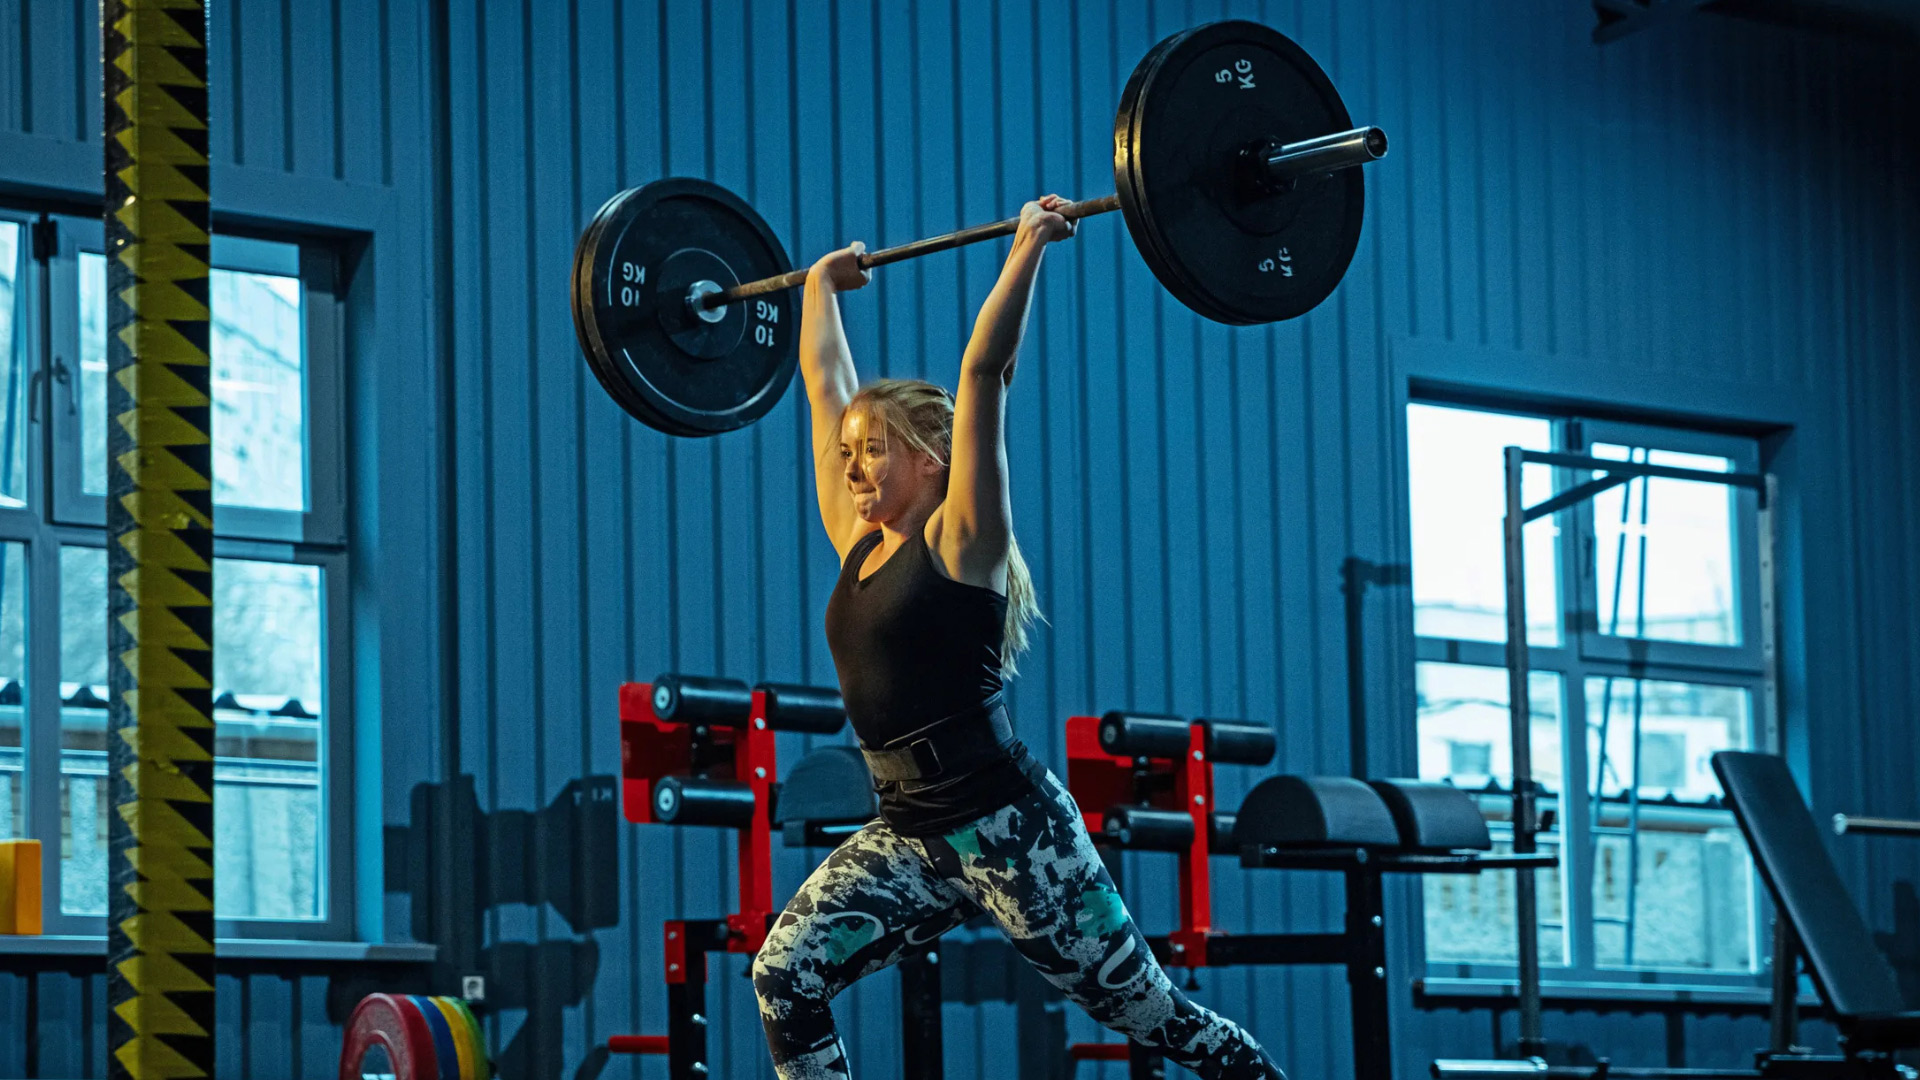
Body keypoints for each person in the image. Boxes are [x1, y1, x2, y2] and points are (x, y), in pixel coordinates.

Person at [748, 195, 1286, 1080]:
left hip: (1014, 831)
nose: (850, 468)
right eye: (847, 454)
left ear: (931, 457)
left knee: (1157, 1017)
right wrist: (818, 291)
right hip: (910, 834)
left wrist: (1029, 245)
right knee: (785, 973)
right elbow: (824, 387)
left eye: (872, 451)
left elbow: (985, 374)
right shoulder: (857, 544)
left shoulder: (965, 540)